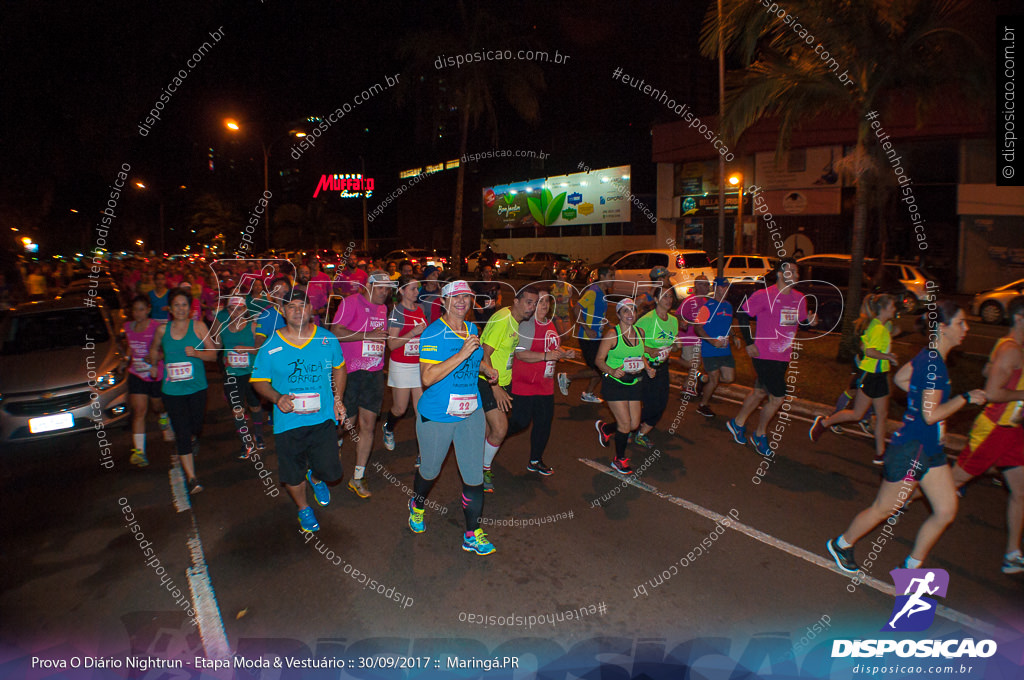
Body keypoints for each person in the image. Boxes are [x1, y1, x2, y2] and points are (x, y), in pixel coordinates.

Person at [827, 301, 985, 573]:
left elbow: (901, 378)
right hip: (912, 450)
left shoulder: (928, 357)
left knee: (946, 509)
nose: (966, 328)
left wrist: (924, 410)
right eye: (961, 323)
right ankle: (842, 544)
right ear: (943, 328)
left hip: (929, 449)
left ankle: (910, 568)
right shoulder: (934, 365)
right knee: (883, 508)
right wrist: (965, 398)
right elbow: (931, 415)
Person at [409, 280, 499, 554]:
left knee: (474, 476)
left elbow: (475, 357)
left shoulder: (472, 329)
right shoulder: (434, 333)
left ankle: (473, 533)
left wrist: (486, 368)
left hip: (470, 413)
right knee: (430, 470)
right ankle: (417, 503)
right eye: (455, 297)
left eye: (467, 297)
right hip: (437, 415)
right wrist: (461, 354)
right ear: (444, 301)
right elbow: (427, 377)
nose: (462, 301)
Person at [251, 290, 347, 532]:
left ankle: (315, 477)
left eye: (302, 305)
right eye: (290, 306)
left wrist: (338, 399)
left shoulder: (326, 339)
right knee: (292, 475)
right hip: (288, 421)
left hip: (323, 417)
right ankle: (303, 508)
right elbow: (258, 380)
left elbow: (340, 368)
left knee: (331, 471)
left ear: (311, 310)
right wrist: (276, 397)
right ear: (283, 312)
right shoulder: (271, 344)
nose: (296, 310)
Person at [951, 298, 1024, 574]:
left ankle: (1012, 554)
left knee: (1021, 491)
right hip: (994, 428)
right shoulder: (1010, 350)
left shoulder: (1010, 347)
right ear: (1019, 318)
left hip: (1012, 430)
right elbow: (993, 393)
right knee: (953, 481)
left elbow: (985, 372)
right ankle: (895, 504)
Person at [726, 259, 812, 457]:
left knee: (758, 393)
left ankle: (737, 423)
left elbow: (802, 324)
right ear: (780, 274)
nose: (797, 275)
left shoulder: (800, 298)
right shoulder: (765, 295)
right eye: (792, 271)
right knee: (778, 397)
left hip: (783, 356)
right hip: (763, 353)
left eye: (798, 272)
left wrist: (810, 322)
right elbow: (742, 314)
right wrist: (749, 342)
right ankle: (760, 434)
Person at [810, 294, 899, 463]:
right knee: (858, 414)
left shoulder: (882, 325)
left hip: (881, 375)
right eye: (893, 306)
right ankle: (824, 423)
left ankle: (880, 453)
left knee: (882, 414)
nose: (895, 309)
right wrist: (889, 357)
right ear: (884, 309)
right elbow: (870, 351)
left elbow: (886, 334)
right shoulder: (877, 328)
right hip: (870, 374)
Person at [331, 269, 394, 498]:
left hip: (374, 374)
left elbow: (380, 336)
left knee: (368, 425)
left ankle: (357, 477)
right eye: (380, 288)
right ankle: (332, 448)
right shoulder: (350, 302)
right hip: (350, 372)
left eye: (387, 289)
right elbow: (335, 331)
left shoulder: (383, 308)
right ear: (368, 286)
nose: (384, 292)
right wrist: (368, 335)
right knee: (346, 424)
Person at [149, 288, 217, 494]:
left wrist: (197, 353)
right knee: (182, 432)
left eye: (184, 305)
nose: (180, 309)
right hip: (172, 390)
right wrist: (153, 363)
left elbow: (213, 355)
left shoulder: (198, 326)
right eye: (176, 305)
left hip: (196, 388)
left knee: (195, 426)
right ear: (170, 308)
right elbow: (154, 348)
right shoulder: (163, 330)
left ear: (190, 307)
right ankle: (192, 478)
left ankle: (194, 437)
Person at [478, 285, 540, 492]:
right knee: (500, 428)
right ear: (516, 301)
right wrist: (494, 386)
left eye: (535, 303)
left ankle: (475, 465)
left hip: (503, 382)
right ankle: (483, 469)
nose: (531, 307)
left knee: (488, 430)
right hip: (487, 380)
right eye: (528, 302)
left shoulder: (515, 321)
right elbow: (484, 354)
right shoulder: (502, 319)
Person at [505, 288, 572, 475]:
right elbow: (521, 354)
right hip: (524, 383)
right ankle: (495, 437)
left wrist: (564, 353)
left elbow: (551, 349)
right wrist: (546, 356)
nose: (543, 305)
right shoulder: (527, 325)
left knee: (543, 423)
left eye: (546, 301)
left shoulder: (550, 324)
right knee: (520, 422)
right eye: (539, 301)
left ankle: (535, 460)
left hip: (545, 384)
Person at [594, 298, 650, 474]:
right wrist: (611, 371)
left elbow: (640, 354)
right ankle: (619, 459)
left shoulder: (640, 332)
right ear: (618, 314)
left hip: (633, 382)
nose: (630, 314)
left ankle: (606, 428)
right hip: (615, 383)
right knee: (625, 424)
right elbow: (599, 360)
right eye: (625, 311)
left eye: (632, 310)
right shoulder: (612, 334)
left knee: (634, 425)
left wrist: (648, 368)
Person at [212, 294, 265, 458]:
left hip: (251, 374)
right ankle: (246, 442)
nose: (236, 312)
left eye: (239, 308)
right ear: (227, 310)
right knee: (237, 410)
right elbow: (215, 348)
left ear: (245, 309)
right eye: (232, 309)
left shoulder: (253, 326)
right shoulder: (222, 327)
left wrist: (245, 348)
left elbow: (260, 349)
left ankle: (258, 434)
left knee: (255, 406)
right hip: (232, 374)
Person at [122, 295, 171, 467]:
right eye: (135, 309)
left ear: (148, 310)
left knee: (157, 406)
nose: (138, 313)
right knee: (139, 411)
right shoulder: (127, 327)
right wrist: (126, 358)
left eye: (141, 309)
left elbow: (167, 350)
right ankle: (139, 451)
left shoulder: (157, 328)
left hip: (155, 374)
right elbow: (130, 344)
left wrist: (157, 358)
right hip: (137, 374)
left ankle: (163, 415)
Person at [382, 275, 428, 452]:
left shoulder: (420, 309)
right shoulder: (396, 313)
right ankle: (388, 427)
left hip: (418, 365)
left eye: (418, 288)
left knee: (421, 411)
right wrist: (413, 333)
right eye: (413, 289)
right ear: (401, 291)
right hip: (401, 365)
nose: (417, 292)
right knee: (400, 409)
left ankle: (422, 452)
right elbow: (392, 344)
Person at [558, 266, 614, 403]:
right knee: (601, 368)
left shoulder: (603, 292)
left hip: (598, 336)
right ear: (602, 276)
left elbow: (598, 314)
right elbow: (577, 308)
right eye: (611, 275)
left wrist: (608, 324)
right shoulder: (593, 292)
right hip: (587, 338)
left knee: (601, 367)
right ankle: (568, 377)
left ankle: (588, 393)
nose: (614, 279)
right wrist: (587, 328)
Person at [633, 283, 680, 448]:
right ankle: (622, 425)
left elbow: (671, 344)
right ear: (655, 298)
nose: (668, 299)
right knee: (651, 405)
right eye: (664, 296)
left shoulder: (673, 321)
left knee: (661, 404)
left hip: (663, 367)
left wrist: (675, 346)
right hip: (646, 367)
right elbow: (632, 343)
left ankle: (640, 433)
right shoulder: (647, 320)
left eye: (670, 296)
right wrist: (649, 350)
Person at [694, 276, 736, 419]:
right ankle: (702, 405)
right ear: (715, 288)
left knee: (729, 378)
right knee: (715, 379)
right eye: (722, 287)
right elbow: (698, 328)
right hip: (710, 349)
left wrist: (734, 337)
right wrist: (712, 341)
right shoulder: (707, 307)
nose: (725, 290)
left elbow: (728, 325)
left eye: (727, 288)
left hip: (725, 349)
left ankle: (702, 379)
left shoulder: (728, 306)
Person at [676, 274, 710, 397]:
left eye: (708, 284)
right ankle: (688, 385)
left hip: (700, 338)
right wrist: (683, 322)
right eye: (704, 284)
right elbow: (678, 314)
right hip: (688, 336)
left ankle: (688, 385)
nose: (707, 287)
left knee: (696, 362)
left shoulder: (706, 302)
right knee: (693, 363)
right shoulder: (689, 300)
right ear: (697, 285)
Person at [550, 268, 573, 337]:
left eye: (565, 274)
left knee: (567, 335)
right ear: (558, 276)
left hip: (565, 313)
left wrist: (572, 306)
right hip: (556, 313)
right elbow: (549, 300)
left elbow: (570, 298)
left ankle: (558, 344)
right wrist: (556, 300)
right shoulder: (553, 287)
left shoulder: (568, 287)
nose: (564, 276)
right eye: (562, 274)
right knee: (561, 332)